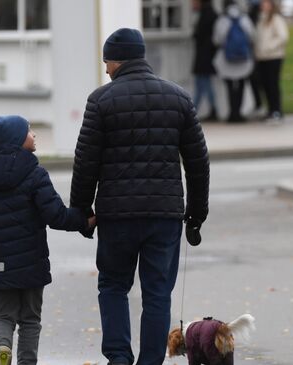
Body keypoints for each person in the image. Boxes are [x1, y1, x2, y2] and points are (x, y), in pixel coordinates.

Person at [70, 28, 210, 365]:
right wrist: (196, 214)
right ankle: (150, 361)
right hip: (164, 217)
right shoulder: (179, 98)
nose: (105, 69)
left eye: (107, 62)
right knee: (158, 294)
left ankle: (119, 358)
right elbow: (197, 161)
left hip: (117, 217)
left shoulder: (100, 101)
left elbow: (86, 161)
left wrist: (80, 212)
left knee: (114, 287)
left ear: (117, 61)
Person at [0, 115, 95, 365]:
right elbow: (56, 215)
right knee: (29, 320)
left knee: (2, 317)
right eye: (28, 131)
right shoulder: (35, 175)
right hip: (31, 265)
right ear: (17, 139)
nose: (34, 135)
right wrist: (85, 221)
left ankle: (2, 347)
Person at [213, 0, 255, 123]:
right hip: (244, 59)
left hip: (226, 59)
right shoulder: (245, 19)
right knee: (241, 85)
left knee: (230, 87)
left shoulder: (222, 20)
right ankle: (239, 112)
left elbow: (217, 40)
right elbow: (252, 35)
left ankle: (232, 113)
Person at [254, 0, 289, 122]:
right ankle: (270, 109)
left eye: (265, 3)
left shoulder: (276, 19)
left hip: (274, 57)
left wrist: (268, 47)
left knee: (273, 84)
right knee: (265, 85)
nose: (263, 5)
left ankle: (277, 110)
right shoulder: (261, 19)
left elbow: (283, 37)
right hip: (262, 57)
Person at [192, 0, 219, 121]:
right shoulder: (210, 14)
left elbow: (200, 36)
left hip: (204, 57)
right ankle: (210, 109)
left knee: (202, 85)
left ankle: (193, 111)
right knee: (204, 85)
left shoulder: (206, 15)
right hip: (207, 56)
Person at [248, 0, 264, 116]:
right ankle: (259, 104)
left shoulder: (256, 16)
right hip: (255, 53)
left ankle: (259, 105)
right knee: (255, 80)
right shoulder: (254, 16)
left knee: (257, 80)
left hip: (260, 53)